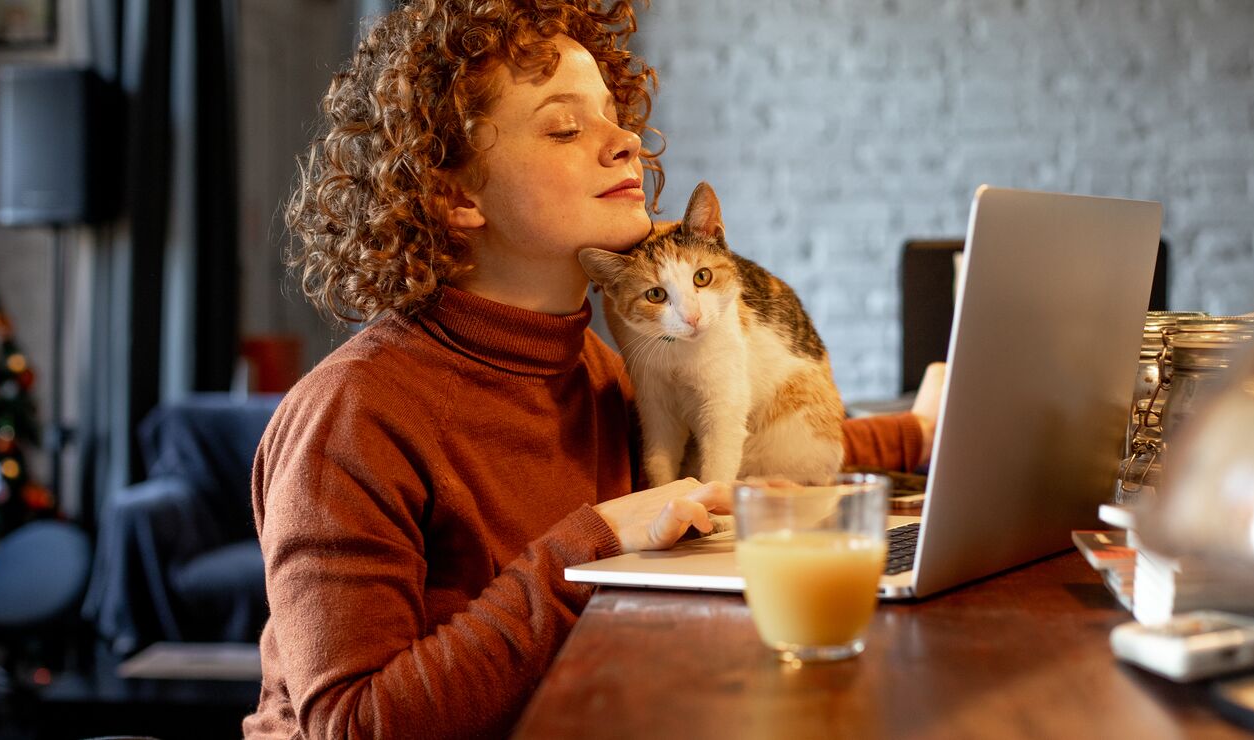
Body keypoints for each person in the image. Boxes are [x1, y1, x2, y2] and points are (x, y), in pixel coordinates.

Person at [243, 2, 939, 737]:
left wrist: (924, 436)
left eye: (614, 115)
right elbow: (352, 726)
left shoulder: (598, 366)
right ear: (454, 194)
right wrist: (595, 542)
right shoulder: (353, 414)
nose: (626, 141)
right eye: (565, 127)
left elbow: (756, 435)